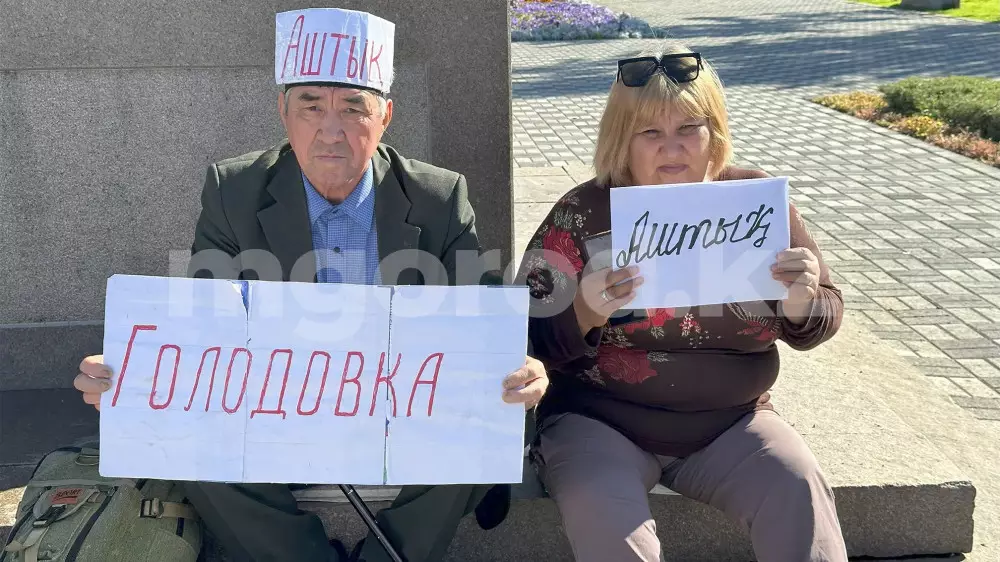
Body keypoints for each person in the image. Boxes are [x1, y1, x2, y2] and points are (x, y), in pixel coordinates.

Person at [71, 8, 547, 562]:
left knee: (493, 417)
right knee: (188, 442)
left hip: (400, 412)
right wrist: (133, 378)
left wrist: (521, 372)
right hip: (278, 412)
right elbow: (204, 329)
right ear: (283, 112)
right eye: (311, 106)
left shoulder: (438, 198)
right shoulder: (234, 190)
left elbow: (484, 331)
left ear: (385, 116)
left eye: (354, 108)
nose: (331, 130)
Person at [515, 44, 849, 562]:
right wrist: (584, 312)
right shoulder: (584, 211)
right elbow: (521, 330)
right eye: (649, 131)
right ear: (620, 139)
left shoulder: (755, 203)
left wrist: (802, 302)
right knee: (607, 522)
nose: (671, 147)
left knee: (797, 486)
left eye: (689, 127)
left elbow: (824, 310)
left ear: (715, 132)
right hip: (600, 421)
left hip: (732, 421)